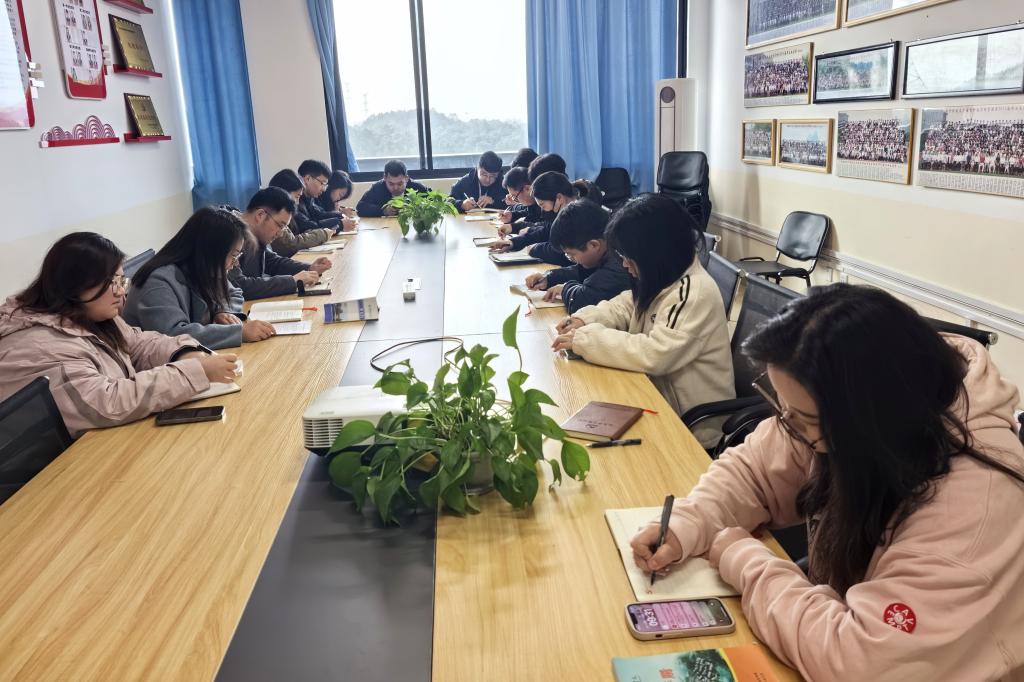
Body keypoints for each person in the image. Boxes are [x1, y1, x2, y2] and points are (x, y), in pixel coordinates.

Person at [629, 284, 1024, 681]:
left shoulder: (974, 504)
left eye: (803, 419)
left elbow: (862, 664)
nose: (789, 426)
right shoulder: (849, 413)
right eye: (784, 409)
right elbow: (754, 470)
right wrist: (687, 523)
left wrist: (742, 558)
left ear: (871, 419)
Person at [0, 232, 238, 438]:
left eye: (121, 280)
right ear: (73, 284)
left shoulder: (89, 316)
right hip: (58, 468)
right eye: (111, 282)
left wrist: (184, 353)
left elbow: (140, 343)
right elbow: (106, 402)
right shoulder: (40, 346)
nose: (121, 292)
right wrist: (195, 371)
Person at [551, 194, 733, 447]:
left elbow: (656, 354)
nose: (624, 264)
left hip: (691, 428)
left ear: (656, 252)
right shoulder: (664, 274)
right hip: (655, 399)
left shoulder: (693, 293)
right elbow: (626, 305)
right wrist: (585, 319)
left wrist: (587, 340)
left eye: (628, 256)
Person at [123, 207, 277, 349]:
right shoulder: (157, 282)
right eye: (234, 255)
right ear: (211, 251)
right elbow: (173, 336)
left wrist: (223, 311)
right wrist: (238, 333)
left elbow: (233, 292)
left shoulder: (203, 269)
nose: (235, 263)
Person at [523, 199, 630, 314]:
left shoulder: (621, 263)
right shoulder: (606, 249)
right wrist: (549, 278)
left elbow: (583, 299)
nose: (572, 260)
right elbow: (582, 271)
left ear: (594, 245)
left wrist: (565, 289)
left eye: (571, 255)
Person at [228, 187, 330, 300]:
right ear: (260, 215)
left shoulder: (254, 234)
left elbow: (272, 262)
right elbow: (239, 285)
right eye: (280, 225)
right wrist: (293, 281)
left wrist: (309, 268)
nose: (280, 233)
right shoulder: (226, 233)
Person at [490, 171, 597, 266]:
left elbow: (563, 253)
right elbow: (546, 230)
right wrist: (513, 243)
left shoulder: (582, 214)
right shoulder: (567, 209)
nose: (542, 210)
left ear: (559, 198)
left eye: (542, 205)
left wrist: (533, 249)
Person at [267, 169, 334, 257]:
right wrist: (323, 234)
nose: (297, 202)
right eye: (297, 196)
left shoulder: (284, 212)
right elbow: (289, 245)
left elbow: (296, 235)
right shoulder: (274, 214)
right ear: (284, 193)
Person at [356, 160, 429, 217]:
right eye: (391, 184)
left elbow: (432, 203)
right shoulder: (378, 188)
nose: (395, 188)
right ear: (385, 178)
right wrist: (383, 211)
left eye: (400, 184)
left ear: (406, 178)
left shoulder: (417, 187)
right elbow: (360, 207)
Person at [294, 159, 342, 233]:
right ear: (307, 179)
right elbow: (307, 227)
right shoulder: (295, 199)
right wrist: (340, 224)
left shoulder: (309, 198)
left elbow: (320, 215)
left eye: (325, 185)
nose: (324, 189)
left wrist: (341, 216)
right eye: (322, 183)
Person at [497, 166, 541, 235]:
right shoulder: (533, 203)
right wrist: (512, 216)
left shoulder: (545, 202)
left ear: (527, 189)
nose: (514, 200)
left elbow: (542, 227)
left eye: (515, 196)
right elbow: (529, 212)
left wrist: (513, 227)